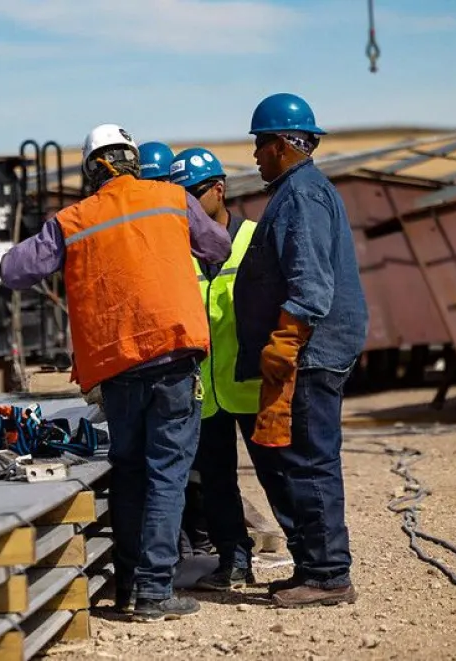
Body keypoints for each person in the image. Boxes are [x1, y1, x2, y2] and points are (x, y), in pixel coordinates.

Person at [0, 123, 231, 621]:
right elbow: (218, 247)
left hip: (118, 366)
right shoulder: (170, 199)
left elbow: (14, 271)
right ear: (131, 158)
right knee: (167, 473)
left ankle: (128, 583)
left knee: (129, 470)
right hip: (172, 356)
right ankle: (154, 590)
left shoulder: (73, 219)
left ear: (91, 170)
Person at [233, 93, 368, 608]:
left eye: (260, 144)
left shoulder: (302, 196)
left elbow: (310, 283)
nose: (255, 156)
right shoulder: (298, 190)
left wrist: (286, 340)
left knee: (311, 462)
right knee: (301, 458)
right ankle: (315, 568)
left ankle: (330, 576)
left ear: (286, 144)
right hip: (311, 349)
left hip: (311, 351)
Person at [170, 147, 266, 591]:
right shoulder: (178, 250)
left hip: (251, 385)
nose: (185, 204)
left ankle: (314, 565)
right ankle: (234, 561)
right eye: (179, 196)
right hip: (205, 392)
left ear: (219, 189)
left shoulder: (253, 238)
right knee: (217, 485)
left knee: (279, 476)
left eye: (193, 193)